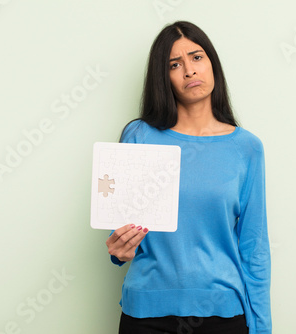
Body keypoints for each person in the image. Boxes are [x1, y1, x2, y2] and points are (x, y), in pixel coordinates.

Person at [106, 20, 271, 334]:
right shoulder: (139, 136)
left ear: (212, 64)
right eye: (174, 64)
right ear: (163, 77)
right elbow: (123, 226)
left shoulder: (246, 148)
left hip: (222, 315)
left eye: (197, 57)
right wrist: (118, 252)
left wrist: (262, 328)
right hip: (146, 312)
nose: (189, 71)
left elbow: (255, 248)